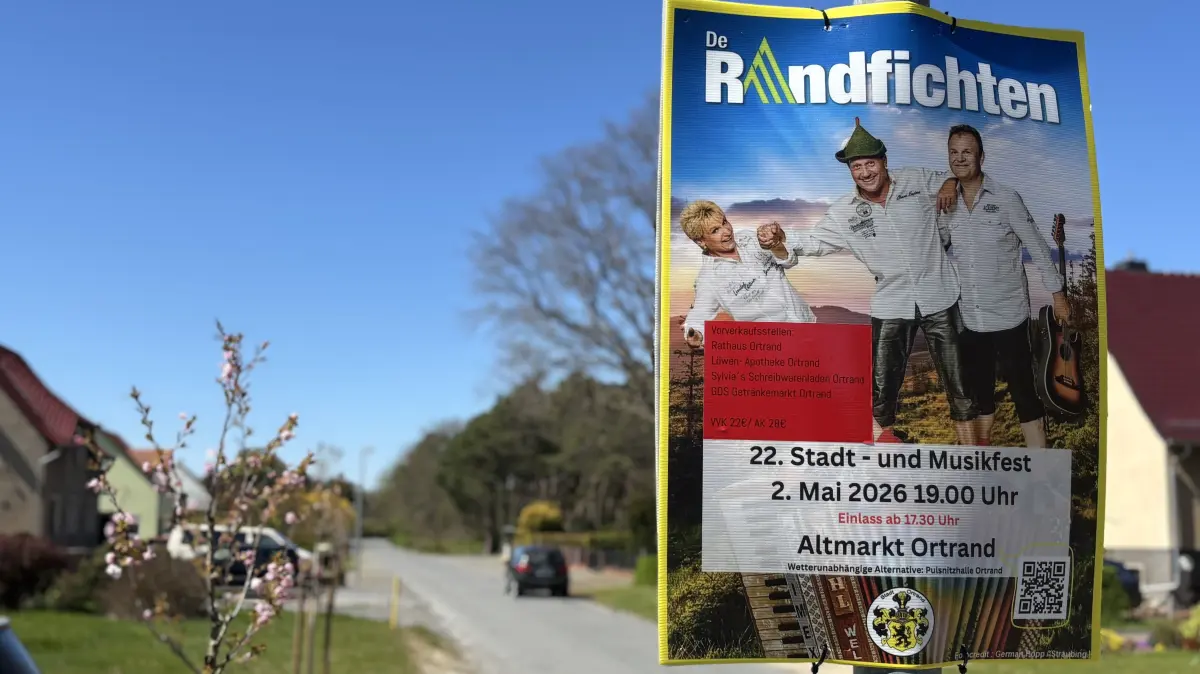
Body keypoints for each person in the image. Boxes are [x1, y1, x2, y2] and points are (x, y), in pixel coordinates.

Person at [758, 118, 976, 444]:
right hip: (891, 305)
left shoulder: (916, 179)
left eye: (870, 163)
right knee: (882, 388)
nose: (865, 172)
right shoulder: (843, 212)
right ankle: (876, 454)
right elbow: (808, 243)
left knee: (961, 385)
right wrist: (777, 242)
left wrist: (949, 184)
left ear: (884, 161)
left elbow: (956, 177)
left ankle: (972, 458)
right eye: (856, 166)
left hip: (941, 297)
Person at [935, 124, 1069, 448]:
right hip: (971, 319)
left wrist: (1058, 294)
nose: (960, 158)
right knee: (980, 394)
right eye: (954, 152)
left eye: (967, 152)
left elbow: (1037, 246)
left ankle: (1041, 468)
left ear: (981, 156)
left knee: (1024, 391)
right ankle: (981, 462)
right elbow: (936, 247)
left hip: (1010, 316)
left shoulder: (1007, 198)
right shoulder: (947, 202)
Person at [678, 199, 816, 349]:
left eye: (724, 222)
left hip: (808, 325)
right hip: (774, 349)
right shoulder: (708, 279)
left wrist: (776, 245)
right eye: (715, 230)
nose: (727, 231)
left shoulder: (750, 238)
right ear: (701, 242)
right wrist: (695, 334)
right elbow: (698, 315)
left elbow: (789, 262)